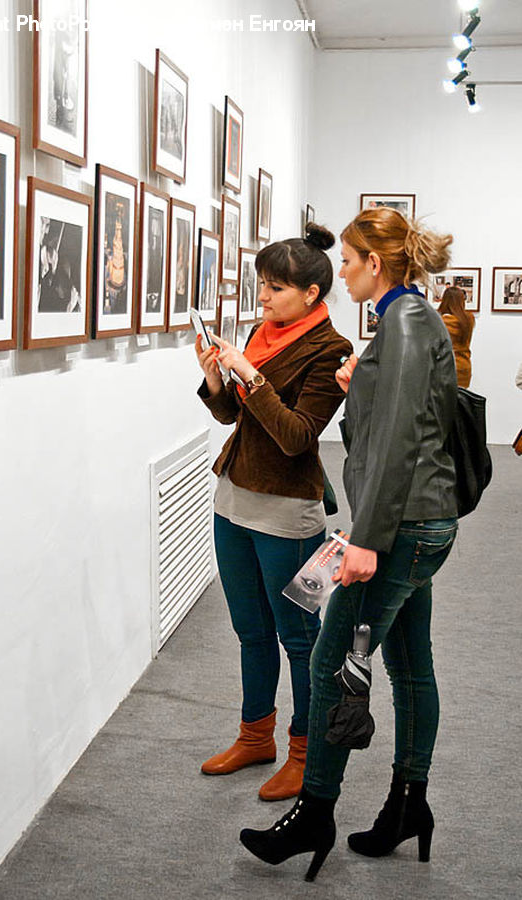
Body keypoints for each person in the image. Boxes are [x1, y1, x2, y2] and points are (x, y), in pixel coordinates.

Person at [239, 206, 459, 880]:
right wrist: (356, 385)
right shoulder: (401, 320)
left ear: (375, 262)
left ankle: (316, 812)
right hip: (414, 523)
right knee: (409, 665)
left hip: (399, 531)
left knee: (334, 657)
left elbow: (396, 443)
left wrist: (364, 540)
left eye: (353, 260)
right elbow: (401, 417)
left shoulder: (407, 320)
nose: (347, 273)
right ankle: (406, 805)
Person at [195, 224, 352, 802]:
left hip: (289, 512)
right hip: (234, 498)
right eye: (261, 285)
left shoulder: (330, 350)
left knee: (301, 636)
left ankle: (306, 753)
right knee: (250, 631)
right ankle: (254, 734)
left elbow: (296, 437)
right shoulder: (264, 333)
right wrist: (217, 379)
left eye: (275, 288)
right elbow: (232, 419)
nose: (262, 297)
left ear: (312, 294)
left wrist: (252, 376)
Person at [438, 286, 475, 387]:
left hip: (445, 368)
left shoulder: (440, 321)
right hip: (464, 367)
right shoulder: (469, 319)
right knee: (461, 401)